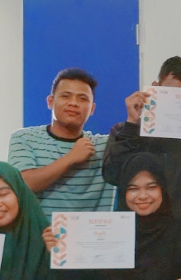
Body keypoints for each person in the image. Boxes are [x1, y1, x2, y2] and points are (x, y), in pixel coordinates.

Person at [103, 55, 181, 240]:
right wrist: (132, 124)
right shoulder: (125, 130)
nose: (178, 102)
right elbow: (112, 175)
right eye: (172, 93)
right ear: (155, 87)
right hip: (137, 234)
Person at [8, 68, 115, 213]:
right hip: (41, 228)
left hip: (93, 228)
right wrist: (71, 158)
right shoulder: (24, 138)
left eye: (82, 98)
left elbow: (140, 139)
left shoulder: (105, 146)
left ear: (92, 109)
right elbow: (23, 184)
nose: (73, 103)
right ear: (50, 102)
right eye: (66, 96)